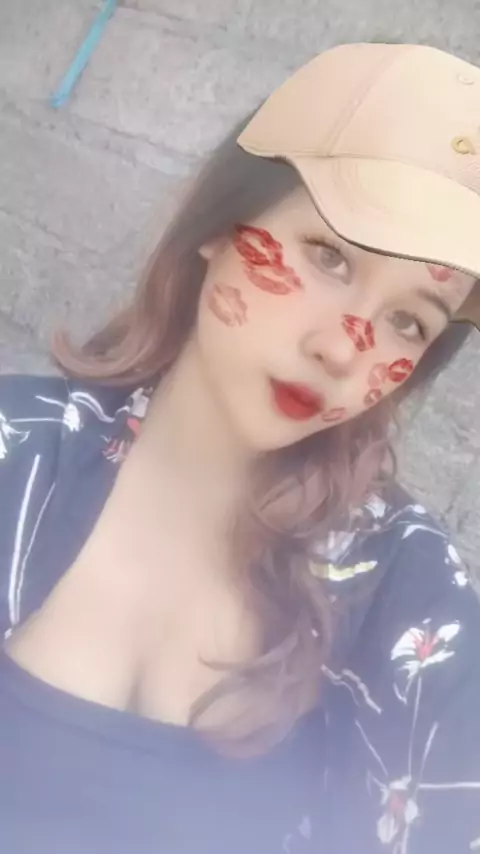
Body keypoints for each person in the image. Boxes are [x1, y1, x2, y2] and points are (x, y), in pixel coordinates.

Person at [0, 40, 479, 854]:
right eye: (329, 256)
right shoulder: (19, 451)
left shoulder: (401, 585)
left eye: (408, 321)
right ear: (221, 225)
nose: (344, 349)